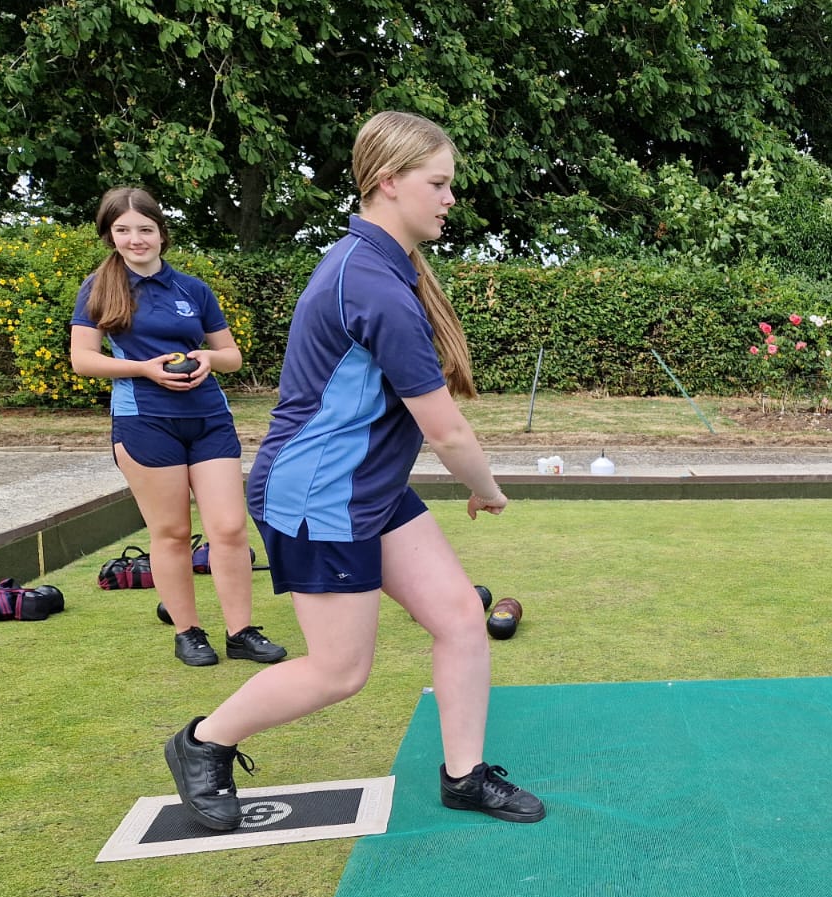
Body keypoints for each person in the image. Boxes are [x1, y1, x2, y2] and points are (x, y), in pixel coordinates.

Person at [161, 111, 544, 832]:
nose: (450, 198)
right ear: (389, 182)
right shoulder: (371, 281)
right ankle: (202, 743)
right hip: (318, 496)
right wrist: (486, 491)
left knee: (462, 616)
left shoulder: (376, 265)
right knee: (340, 671)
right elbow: (445, 428)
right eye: (439, 183)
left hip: (364, 486)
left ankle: (463, 776)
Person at [70, 187, 288, 669]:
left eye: (144, 229)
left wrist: (210, 357)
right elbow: (83, 360)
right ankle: (189, 633)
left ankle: (241, 632)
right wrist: (144, 369)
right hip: (145, 422)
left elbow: (230, 356)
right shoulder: (100, 288)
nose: (135, 239)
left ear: (161, 232)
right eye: (122, 231)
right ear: (110, 235)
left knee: (229, 528)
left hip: (209, 419)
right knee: (170, 532)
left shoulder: (193, 289)